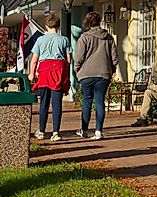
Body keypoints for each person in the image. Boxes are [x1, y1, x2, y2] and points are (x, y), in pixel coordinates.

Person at [73, 11, 118, 140]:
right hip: (104, 74)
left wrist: (77, 71)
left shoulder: (84, 37)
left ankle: (85, 130)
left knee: (87, 101)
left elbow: (79, 58)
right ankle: (98, 131)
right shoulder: (108, 37)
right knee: (100, 101)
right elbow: (115, 58)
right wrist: (112, 70)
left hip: (86, 74)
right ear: (99, 21)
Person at [28, 13, 71, 141]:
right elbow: (68, 59)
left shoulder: (40, 40)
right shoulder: (64, 39)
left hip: (44, 72)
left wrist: (31, 73)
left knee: (44, 103)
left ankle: (41, 131)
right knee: (57, 104)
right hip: (58, 72)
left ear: (46, 26)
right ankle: (55, 132)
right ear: (58, 26)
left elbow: (34, 59)